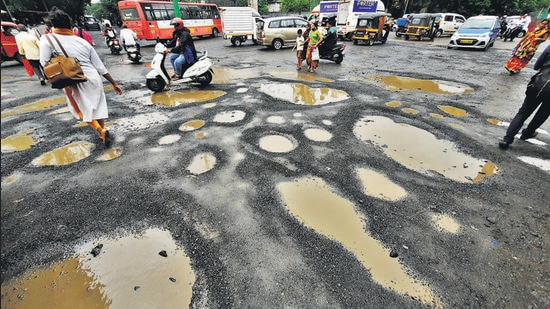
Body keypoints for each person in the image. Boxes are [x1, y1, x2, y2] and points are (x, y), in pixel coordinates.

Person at [39, 8, 123, 147]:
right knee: (97, 106)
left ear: (52, 25)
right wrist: (114, 83)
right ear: (70, 24)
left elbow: (44, 62)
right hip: (93, 76)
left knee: (80, 109)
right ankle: (102, 131)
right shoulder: (81, 41)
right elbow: (99, 66)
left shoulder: (47, 40)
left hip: (73, 79)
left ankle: (100, 130)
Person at [499, 45, 550, 150]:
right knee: (543, 113)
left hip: (539, 84)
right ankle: (527, 133)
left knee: (523, 112)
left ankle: (507, 139)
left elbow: (536, 66)